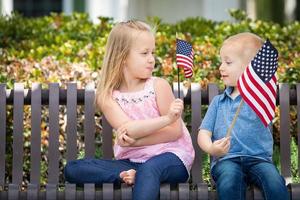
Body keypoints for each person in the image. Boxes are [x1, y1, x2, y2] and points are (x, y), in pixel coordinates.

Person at [64, 20, 195, 200]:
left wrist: (135, 141)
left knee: (150, 169)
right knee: (73, 169)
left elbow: (174, 131)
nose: (152, 59)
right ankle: (128, 177)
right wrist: (165, 119)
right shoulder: (107, 96)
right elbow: (128, 130)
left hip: (171, 157)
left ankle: (140, 176)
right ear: (122, 56)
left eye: (152, 52)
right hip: (131, 162)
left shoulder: (159, 86)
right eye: (144, 53)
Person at [197, 32, 289, 200]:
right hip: (227, 161)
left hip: (259, 160)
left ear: (250, 69)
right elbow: (204, 132)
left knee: (275, 182)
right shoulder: (218, 102)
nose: (221, 67)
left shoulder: (260, 99)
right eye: (221, 62)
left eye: (228, 62)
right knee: (230, 180)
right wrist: (211, 148)